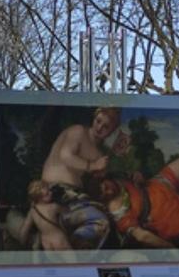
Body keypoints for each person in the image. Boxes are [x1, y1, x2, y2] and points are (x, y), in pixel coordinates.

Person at [38, 106, 126, 249]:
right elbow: (66, 156)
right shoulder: (78, 131)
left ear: (112, 131)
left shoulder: (99, 153)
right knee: (100, 222)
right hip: (56, 190)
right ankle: (72, 254)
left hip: (76, 196)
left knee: (112, 223)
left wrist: (100, 173)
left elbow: (92, 183)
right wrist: (93, 165)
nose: (99, 128)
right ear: (94, 117)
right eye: (98, 121)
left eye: (106, 127)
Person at [97, 156, 179, 249]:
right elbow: (142, 236)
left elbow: (136, 178)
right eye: (104, 194)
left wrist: (139, 177)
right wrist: (169, 247)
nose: (109, 191)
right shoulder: (117, 212)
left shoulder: (115, 178)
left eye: (106, 187)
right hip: (163, 214)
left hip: (157, 186)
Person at [17, 180, 72, 251]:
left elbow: (25, 228)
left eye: (49, 191)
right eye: (47, 194)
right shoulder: (53, 207)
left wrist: (22, 242)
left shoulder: (32, 211)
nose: (51, 193)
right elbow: (68, 211)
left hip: (45, 242)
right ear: (39, 198)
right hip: (59, 239)